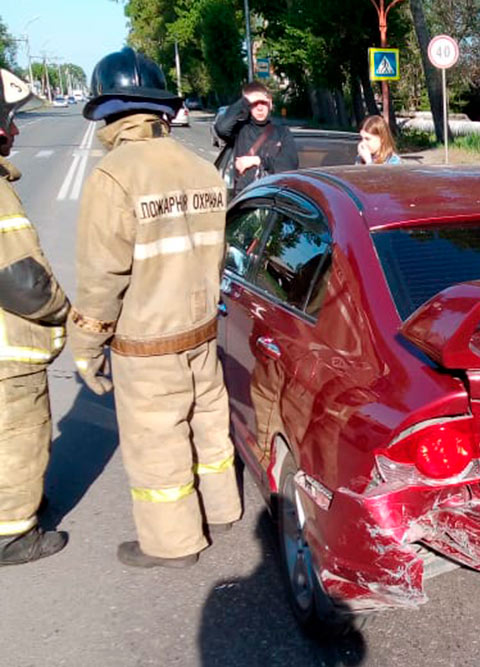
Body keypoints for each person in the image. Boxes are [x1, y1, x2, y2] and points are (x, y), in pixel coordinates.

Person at [70, 47, 242, 569]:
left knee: (157, 439)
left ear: (106, 112)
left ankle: (173, 544)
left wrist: (86, 345)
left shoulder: (114, 177)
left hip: (146, 341)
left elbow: (102, 278)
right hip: (200, 329)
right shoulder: (201, 168)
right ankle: (222, 507)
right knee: (208, 422)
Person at [0, 68, 71, 566]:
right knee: (19, 436)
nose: (17, 130)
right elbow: (23, 283)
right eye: (10, 120)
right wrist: (64, 309)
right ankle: (15, 534)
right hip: (9, 353)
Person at [213, 81, 298, 194]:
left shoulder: (282, 132)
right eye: (254, 103)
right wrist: (245, 100)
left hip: (273, 196)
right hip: (245, 197)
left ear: (270, 104)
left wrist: (257, 160)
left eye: (263, 103)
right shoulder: (240, 130)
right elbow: (221, 128)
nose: (259, 108)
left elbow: (289, 165)